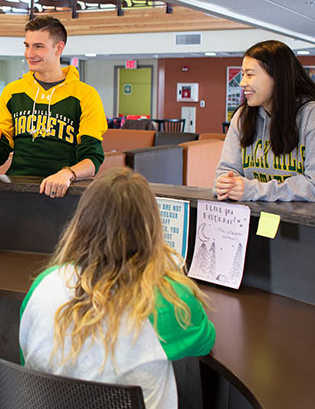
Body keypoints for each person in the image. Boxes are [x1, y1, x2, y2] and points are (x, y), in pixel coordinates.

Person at [19, 168, 215, 409]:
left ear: (82, 223)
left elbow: (27, 358)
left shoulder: (45, 283)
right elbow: (206, 340)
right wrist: (166, 270)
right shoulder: (167, 299)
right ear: (150, 230)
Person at [0, 15, 107, 198]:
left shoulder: (86, 95)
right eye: (27, 45)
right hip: (17, 191)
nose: (29, 53)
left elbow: (92, 160)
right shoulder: (12, 91)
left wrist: (67, 174)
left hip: (63, 194)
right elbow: (0, 153)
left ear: (59, 48)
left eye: (38, 46)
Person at [215, 39, 315, 202]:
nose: (242, 83)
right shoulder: (243, 116)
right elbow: (225, 172)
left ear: (276, 77)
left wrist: (254, 190)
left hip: (299, 224)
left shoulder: (314, 115)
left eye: (250, 74)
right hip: (250, 220)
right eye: (242, 75)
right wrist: (225, 184)